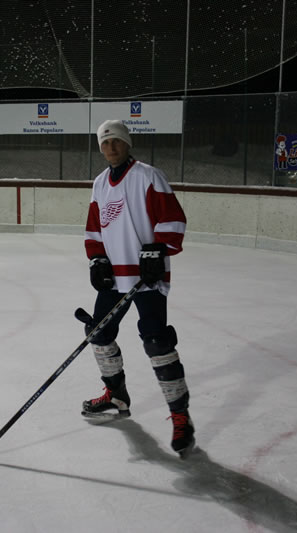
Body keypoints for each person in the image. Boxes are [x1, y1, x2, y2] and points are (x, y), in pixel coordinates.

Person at [81, 119, 195, 457]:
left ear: (127, 143)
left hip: (147, 279)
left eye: (116, 141)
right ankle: (116, 395)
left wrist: (157, 249)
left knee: (157, 341)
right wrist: (97, 259)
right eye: (104, 143)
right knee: (98, 332)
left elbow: (173, 220)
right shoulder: (100, 183)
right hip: (115, 277)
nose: (110, 148)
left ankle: (180, 416)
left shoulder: (148, 176)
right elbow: (94, 229)